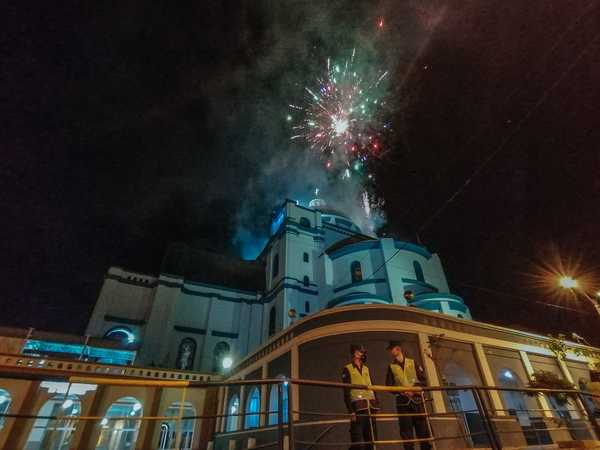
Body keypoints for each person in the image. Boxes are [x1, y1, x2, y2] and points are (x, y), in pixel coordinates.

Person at [385, 340, 431, 450]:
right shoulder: (391, 367)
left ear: (398, 349)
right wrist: (401, 391)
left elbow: (424, 381)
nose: (390, 352)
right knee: (406, 434)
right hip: (403, 404)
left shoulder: (412, 362)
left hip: (417, 402)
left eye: (392, 349)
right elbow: (389, 386)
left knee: (423, 431)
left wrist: (414, 390)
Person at [342, 344, 379, 450]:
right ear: (355, 353)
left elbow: (373, 386)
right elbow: (346, 391)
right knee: (357, 441)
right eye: (361, 352)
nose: (363, 354)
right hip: (358, 409)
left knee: (372, 440)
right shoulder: (347, 369)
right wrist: (351, 411)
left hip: (370, 408)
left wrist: (377, 404)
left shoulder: (367, 369)